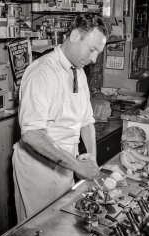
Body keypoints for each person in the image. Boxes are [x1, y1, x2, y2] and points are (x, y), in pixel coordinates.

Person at [12, 13, 109, 222]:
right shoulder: (42, 72)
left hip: (66, 165)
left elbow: (87, 121)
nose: (94, 59)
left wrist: (91, 157)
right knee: (38, 232)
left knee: (60, 227)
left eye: (98, 53)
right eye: (92, 50)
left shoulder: (78, 70)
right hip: (38, 170)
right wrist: (77, 166)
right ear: (74, 36)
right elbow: (32, 134)